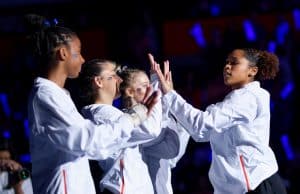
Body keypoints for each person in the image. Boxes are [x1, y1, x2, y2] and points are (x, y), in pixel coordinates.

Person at [25, 14, 159, 194]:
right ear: (63, 53)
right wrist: (133, 118)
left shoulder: (57, 95)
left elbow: (95, 148)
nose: (82, 59)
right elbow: (85, 140)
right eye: (78, 52)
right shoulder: (45, 95)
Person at [151, 49, 287, 194]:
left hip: (257, 185)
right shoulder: (234, 100)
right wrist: (170, 97)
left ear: (252, 71)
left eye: (234, 63)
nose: (227, 66)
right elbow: (202, 133)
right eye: (227, 62)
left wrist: (170, 95)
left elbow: (201, 125)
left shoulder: (249, 97)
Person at [77, 59, 162, 194]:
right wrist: (156, 87)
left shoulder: (113, 114)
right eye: (114, 75)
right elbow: (151, 130)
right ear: (99, 82)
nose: (120, 80)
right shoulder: (102, 114)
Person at [118, 58, 190, 194]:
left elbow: (173, 154)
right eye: (146, 85)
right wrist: (159, 90)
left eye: (150, 84)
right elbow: (156, 135)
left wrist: (170, 97)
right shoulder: (125, 120)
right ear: (130, 92)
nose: (150, 89)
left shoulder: (155, 122)